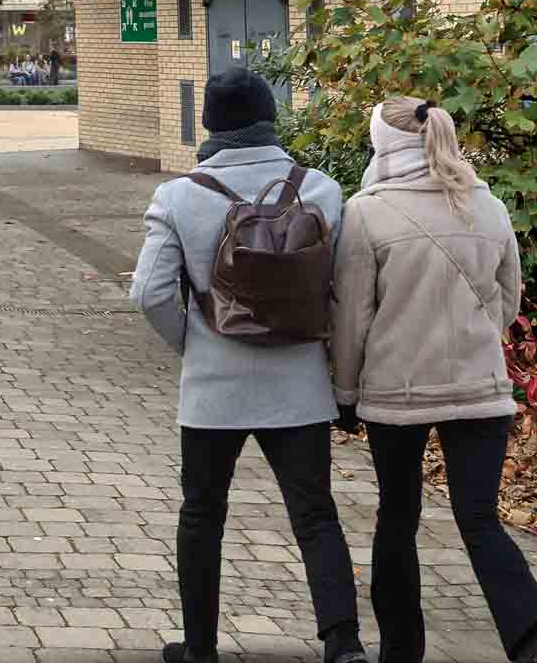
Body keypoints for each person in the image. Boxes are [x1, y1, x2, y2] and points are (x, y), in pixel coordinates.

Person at [130, 67, 365, 663]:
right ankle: (343, 645)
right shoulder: (321, 191)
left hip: (214, 392)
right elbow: (342, 292)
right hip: (300, 388)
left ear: (209, 125)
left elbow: (150, 293)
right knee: (315, 516)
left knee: (202, 515)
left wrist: (193, 343)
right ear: (270, 117)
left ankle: (201, 649)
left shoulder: (178, 197)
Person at [334, 97, 537, 663]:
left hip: (397, 393)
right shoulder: (488, 205)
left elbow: (352, 319)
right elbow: (508, 303)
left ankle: (401, 651)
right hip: (480, 388)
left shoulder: (366, 213)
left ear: (383, 144)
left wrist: (345, 394)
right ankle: (534, 632)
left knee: (397, 518)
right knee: (480, 517)